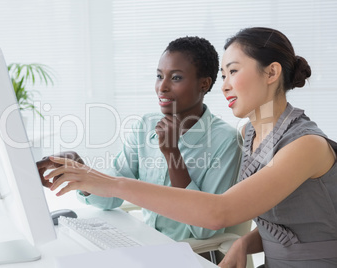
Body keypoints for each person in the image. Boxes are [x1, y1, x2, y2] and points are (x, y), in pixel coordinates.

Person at [42, 27, 337, 267]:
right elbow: (291, 220)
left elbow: (220, 213)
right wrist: (245, 243)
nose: (223, 86)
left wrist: (114, 184)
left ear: (271, 73)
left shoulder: (306, 146)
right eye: (223, 75)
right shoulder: (251, 132)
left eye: (233, 71)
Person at [37, 36, 242, 242]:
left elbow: (205, 229)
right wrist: (80, 171)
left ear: (204, 84)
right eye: (159, 76)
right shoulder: (146, 125)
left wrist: (172, 154)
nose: (162, 87)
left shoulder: (226, 141)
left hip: (190, 255)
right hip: (145, 243)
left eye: (176, 78)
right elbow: (111, 196)